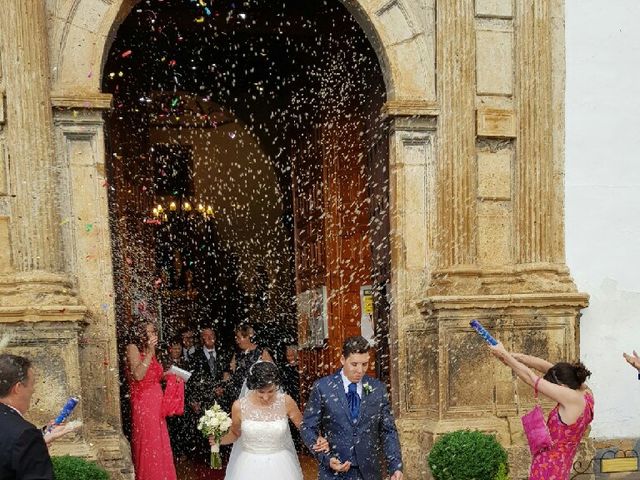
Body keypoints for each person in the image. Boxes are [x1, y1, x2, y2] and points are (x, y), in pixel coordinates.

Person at [301, 336, 403, 480]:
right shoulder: (323, 387)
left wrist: (395, 466)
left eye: (365, 364)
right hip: (334, 471)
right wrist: (325, 456)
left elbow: (388, 431)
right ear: (343, 360)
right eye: (354, 364)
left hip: (370, 472)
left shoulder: (378, 389)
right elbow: (307, 427)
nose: (360, 370)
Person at [488, 343, 594, 480]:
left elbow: (531, 378)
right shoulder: (586, 393)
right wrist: (514, 357)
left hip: (547, 469)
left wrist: (505, 356)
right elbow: (549, 368)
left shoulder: (571, 398)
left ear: (562, 387)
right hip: (560, 468)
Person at [216, 361, 328, 480]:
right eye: (261, 392)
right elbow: (234, 434)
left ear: (276, 385)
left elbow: (304, 428)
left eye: (271, 391)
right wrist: (218, 440)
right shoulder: (239, 406)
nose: (266, 397)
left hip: (281, 464)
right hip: (248, 465)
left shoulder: (286, 401)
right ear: (253, 387)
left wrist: (318, 439)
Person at [0, 353, 73, 479]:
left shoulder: (25, 436)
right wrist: (34, 447)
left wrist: (39, 438)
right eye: (32, 384)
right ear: (18, 388)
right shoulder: (25, 435)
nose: (33, 391)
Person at [126, 321, 180, 480]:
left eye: (154, 332)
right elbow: (138, 375)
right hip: (144, 402)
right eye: (149, 332)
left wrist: (171, 374)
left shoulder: (152, 350)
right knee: (149, 441)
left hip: (157, 402)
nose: (153, 335)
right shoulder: (132, 347)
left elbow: (155, 375)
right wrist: (150, 352)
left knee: (159, 440)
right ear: (140, 334)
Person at [185, 326, 228, 460]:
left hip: (222, 400)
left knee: (223, 430)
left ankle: (222, 458)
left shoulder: (224, 354)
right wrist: (194, 399)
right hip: (204, 400)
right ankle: (208, 461)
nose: (209, 338)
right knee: (207, 434)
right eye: (206, 335)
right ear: (201, 339)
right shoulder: (194, 357)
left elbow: (229, 374)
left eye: (211, 335)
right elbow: (192, 381)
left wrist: (223, 387)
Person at [226, 324, 273, 403]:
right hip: (238, 394)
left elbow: (271, 375)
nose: (236, 340)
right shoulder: (237, 354)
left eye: (238, 337)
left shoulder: (261, 352)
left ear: (248, 337)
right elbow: (230, 373)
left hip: (255, 396)